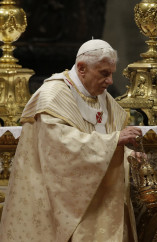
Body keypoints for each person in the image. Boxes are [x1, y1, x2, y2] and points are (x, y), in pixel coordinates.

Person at [0, 39, 143, 242]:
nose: (110, 81)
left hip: (97, 198)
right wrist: (115, 140)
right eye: (104, 73)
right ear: (82, 68)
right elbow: (60, 148)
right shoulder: (53, 95)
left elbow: (109, 141)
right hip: (58, 199)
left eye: (111, 73)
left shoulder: (103, 98)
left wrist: (128, 156)